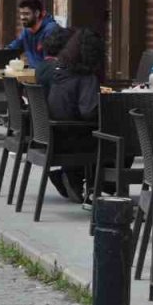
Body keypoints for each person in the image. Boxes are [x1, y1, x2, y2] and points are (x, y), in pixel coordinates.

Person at [46, 27, 105, 203]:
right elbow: (89, 113)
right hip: (74, 139)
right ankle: (101, 186)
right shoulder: (86, 78)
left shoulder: (60, 71)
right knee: (122, 141)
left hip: (55, 136)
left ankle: (73, 176)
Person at [7, 0, 61, 68]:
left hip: (47, 76)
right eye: (21, 14)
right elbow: (10, 50)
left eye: (26, 14)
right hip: (33, 76)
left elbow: (51, 63)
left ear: (37, 13)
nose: (22, 17)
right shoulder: (27, 31)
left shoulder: (51, 30)